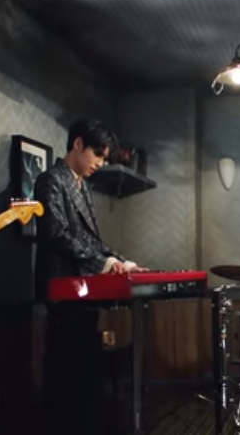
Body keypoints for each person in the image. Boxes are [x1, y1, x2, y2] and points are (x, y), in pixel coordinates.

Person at [34, 118, 147, 435]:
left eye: (104, 157)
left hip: (85, 291)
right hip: (63, 290)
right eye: (97, 154)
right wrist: (105, 263)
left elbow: (92, 242)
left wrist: (122, 262)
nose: (100, 163)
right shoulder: (50, 180)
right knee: (66, 374)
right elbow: (57, 234)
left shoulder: (81, 185)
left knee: (86, 373)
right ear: (77, 144)